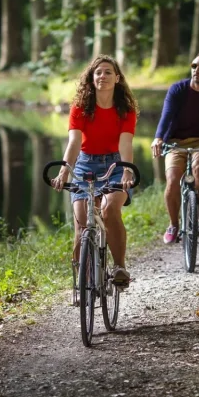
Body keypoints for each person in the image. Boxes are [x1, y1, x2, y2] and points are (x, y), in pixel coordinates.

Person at [51, 54, 138, 289]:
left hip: (115, 165)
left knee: (109, 210)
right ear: (91, 78)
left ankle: (119, 267)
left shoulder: (125, 110)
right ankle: (83, 280)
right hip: (85, 163)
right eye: (98, 72)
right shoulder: (80, 108)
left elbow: (126, 143)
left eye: (108, 72)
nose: (103, 76)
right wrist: (64, 171)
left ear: (117, 78)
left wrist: (127, 171)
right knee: (81, 225)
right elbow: (74, 142)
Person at [150, 53, 199, 243]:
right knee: (172, 178)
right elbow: (166, 115)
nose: (197, 70)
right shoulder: (177, 89)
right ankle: (173, 225)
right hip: (176, 141)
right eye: (194, 66)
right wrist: (158, 138)